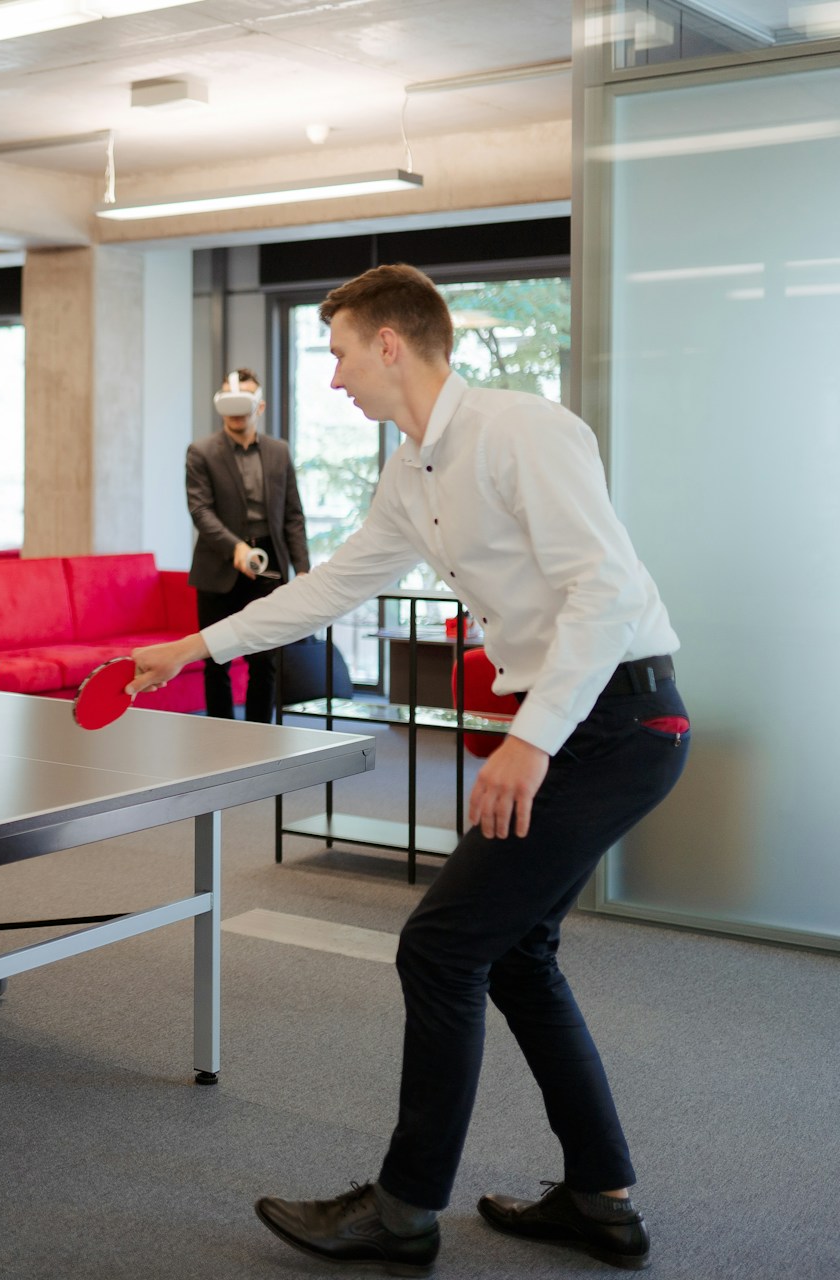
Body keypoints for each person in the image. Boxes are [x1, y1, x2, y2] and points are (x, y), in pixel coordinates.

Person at [131, 264, 686, 1275]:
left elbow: (604, 592)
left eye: (339, 351)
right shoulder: (409, 473)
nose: (332, 375)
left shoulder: (526, 431)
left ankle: (403, 1207)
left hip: (618, 721)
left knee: (439, 945)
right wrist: (194, 648)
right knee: (514, 952)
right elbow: (334, 586)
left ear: (392, 343)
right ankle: (600, 1194)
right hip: (584, 723)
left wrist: (531, 739)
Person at [185, 368, 309, 722]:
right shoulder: (201, 452)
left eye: (245, 401)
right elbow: (200, 510)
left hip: (269, 563)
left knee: (264, 658)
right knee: (216, 658)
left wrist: (301, 570)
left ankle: (259, 737)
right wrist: (235, 548)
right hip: (218, 566)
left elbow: (293, 515)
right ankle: (221, 736)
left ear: (260, 406)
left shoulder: (278, 452)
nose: (237, 409)